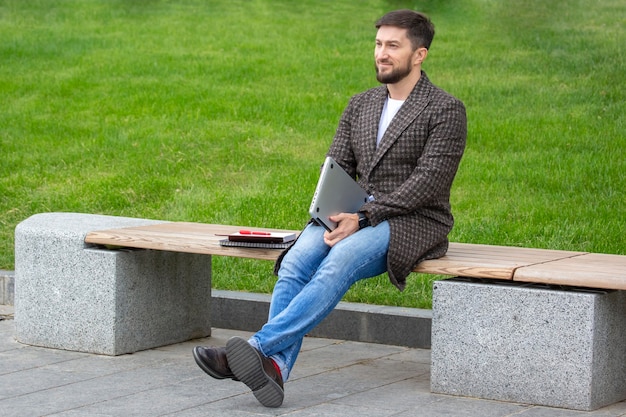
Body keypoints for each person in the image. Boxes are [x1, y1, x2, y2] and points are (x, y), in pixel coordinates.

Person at [193, 9, 467, 408]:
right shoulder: (360, 105)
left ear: (420, 54)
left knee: (338, 262)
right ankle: (274, 369)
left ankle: (257, 346)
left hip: (411, 221)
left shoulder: (444, 109)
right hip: (351, 214)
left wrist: (365, 217)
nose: (381, 54)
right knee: (296, 261)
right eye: (378, 44)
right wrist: (332, 211)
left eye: (393, 46)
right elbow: (338, 165)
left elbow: (429, 183)